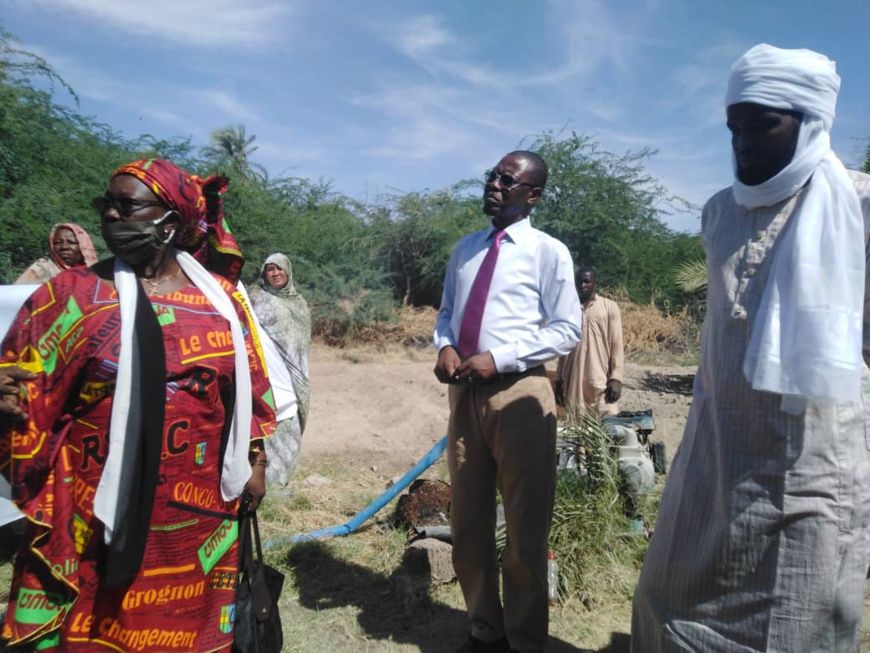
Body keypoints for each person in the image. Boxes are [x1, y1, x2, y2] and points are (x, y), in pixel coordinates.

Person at [631, 44, 870, 651]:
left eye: (762, 125)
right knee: (668, 603)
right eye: (733, 127)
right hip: (716, 454)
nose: (741, 142)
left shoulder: (860, 206)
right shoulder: (719, 213)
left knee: (796, 621)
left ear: (809, 120)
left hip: (811, 468)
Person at [0, 158, 276, 652]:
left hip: (198, 513)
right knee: (95, 624)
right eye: (106, 205)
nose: (109, 216)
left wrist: (255, 465)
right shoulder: (72, 295)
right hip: (96, 508)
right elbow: (21, 392)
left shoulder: (223, 302)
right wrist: (8, 405)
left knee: (185, 624)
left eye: (125, 206)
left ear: (170, 221)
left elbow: (249, 391)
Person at [434, 150, 581, 653]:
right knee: (468, 520)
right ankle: (483, 630)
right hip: (464, 395)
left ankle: (523, 639)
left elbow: (567, 329)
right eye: (492, 176)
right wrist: (446, 346)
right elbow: (447, 314)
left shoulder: (547, 252)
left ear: (531, 195)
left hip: (520, 394)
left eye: (507, 179)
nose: (494, 184)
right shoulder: (465, 250)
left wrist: (502, 358)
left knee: (524, 525)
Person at [248, 252, 311, 488]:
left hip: (294, 377)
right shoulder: (254, 296)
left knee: (290, 433)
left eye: (279, 269)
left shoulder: (299, 303)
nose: (275, 273)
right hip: (266, 377)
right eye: (269, 269)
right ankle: (268, 486)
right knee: (268, 430)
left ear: (288, 271)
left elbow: (300, 346)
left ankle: (281, 483)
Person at [556, 266, 624, 416]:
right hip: (572, 379)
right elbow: (563, 346)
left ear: (595, 283)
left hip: (599, 379)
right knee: (575, 425)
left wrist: (616, 378)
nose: (582, 285)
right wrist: (559, 379)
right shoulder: (567, 309)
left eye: (587, 281)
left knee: (606, 422)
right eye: (579, 282)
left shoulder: (610, 307)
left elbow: (617, 344)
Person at [14, 222, 98, 284]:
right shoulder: (42, 268)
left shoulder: (94, 272)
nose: (64, 247)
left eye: (71, 242)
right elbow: (16, 293)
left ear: (83, 247)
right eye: (58, 243)